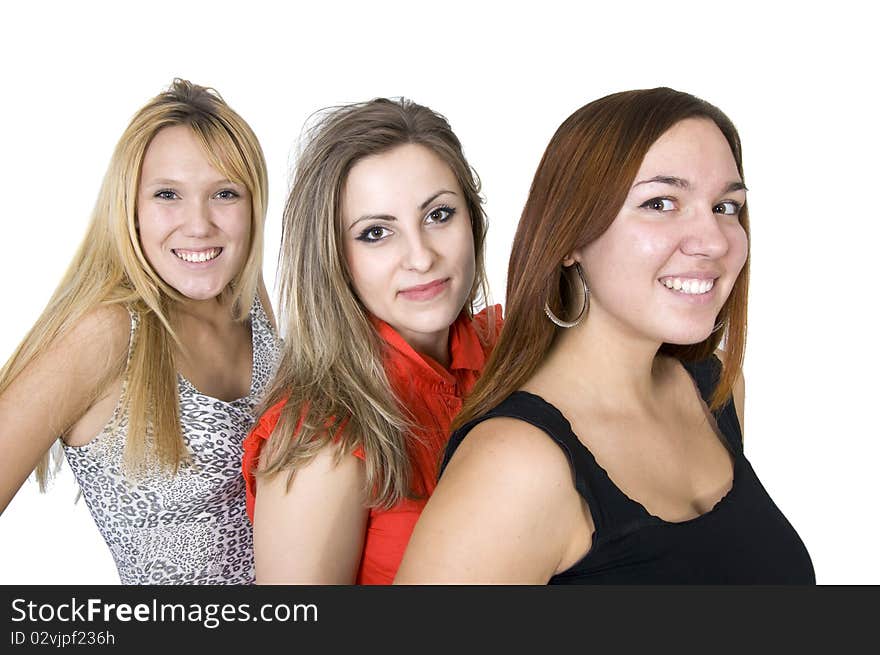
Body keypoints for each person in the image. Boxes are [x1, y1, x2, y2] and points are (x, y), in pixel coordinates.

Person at [396, 87, 815, 584]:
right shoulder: (515, 464)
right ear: (570, 236)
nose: (713, 241)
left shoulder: (718, 388)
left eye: (726, 207)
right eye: (661, 202)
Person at [0, 79, 279, 584]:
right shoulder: (106, 333)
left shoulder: (247, 298)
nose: (199, 225)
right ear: (129, 205)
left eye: (224, 194)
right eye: (167, 194)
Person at [242, 98, 500, 584]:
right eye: (376, 232)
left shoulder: (506, 356)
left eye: (439, 215)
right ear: (333, 258)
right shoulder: (322, 439)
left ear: (474, 221)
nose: (420, 257)